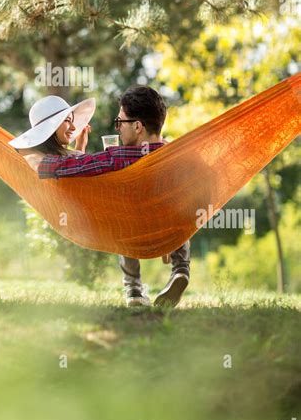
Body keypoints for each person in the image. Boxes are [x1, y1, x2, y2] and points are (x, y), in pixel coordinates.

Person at [13, 85, 190, 309]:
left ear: (137, 126)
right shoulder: (178, 155)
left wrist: (27, 152)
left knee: (120, 207)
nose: (117, 129)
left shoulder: (114, 158)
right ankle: (181, 268)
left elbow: (55, 167)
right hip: (170, 231)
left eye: (120, 123)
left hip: (132, 234)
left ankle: (133, 288)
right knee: (184, 200)